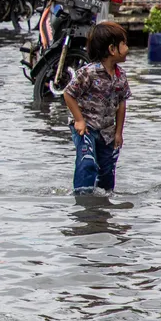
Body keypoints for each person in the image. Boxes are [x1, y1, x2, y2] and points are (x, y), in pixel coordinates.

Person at [63, 22, 130, 195]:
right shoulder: (88, 73)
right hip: (86, 128)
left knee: (107, 172)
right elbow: (68, 94)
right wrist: (79, 120)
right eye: (124, 44)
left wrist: (118, 132)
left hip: (107, 132)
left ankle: (102, 206)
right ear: (112, 49)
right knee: (87, 162)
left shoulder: (121, 76)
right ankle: (82, 199)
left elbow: (122, 104)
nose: (127, 48)